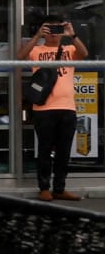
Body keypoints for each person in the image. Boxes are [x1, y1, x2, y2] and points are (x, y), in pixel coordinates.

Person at [19, 18, 88, 202]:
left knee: (64, 151)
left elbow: (84, 53)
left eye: (58, 28)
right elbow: (19, 57)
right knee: (44, 150)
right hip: (44, 108)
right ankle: (44, 187)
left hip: (68, 107)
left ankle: (60, 188)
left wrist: (71, 34)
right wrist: (37, 36)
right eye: (51, 29)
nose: (55, 32)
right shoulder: (37, 50)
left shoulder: (69, 50)